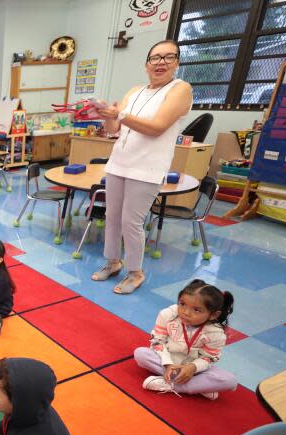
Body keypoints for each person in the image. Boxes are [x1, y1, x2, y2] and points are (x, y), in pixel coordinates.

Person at [93, 40, 193, 294]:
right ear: (146, 64)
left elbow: (157, 127)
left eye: (168, 57)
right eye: (155, 58)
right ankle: (112, 262)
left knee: (131, 222)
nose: (160, 63)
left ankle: (135, 272)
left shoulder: (180, 89)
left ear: (177, 62)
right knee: (112, 217)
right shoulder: (135, 91)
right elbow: (115, 129)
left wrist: (121, 114)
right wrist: (108, 116)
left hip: (147, 168)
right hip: (119, 163)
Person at [135, 279, 238, 400]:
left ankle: (173, 385)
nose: (186, 312)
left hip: (194, 369)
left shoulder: (216, 333)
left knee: (230, 381)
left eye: (196, 310)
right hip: (167, 361)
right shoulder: (167, 315)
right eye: (182, 304)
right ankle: (199, 386)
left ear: (213, 315)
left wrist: (192, 367)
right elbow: (158, 341)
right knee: (140, 354)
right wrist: (168, 365)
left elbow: (209, 357)